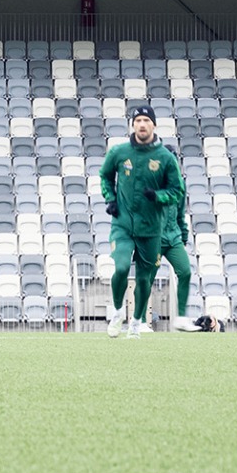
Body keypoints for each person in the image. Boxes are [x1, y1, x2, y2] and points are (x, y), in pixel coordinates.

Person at [97, 104, 188, 337]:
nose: (142, 124)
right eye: (138, 120)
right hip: (123, 224)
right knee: (121, 267)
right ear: (133, 125)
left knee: (144, 280)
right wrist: (110, 199)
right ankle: (118, 312)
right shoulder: (119, 152)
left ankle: (136, 323)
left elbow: (178, 191)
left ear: (154, 125)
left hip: (151, 229)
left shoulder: (166, 158)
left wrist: (157, 196)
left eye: (146, 121)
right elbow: (105, 176)